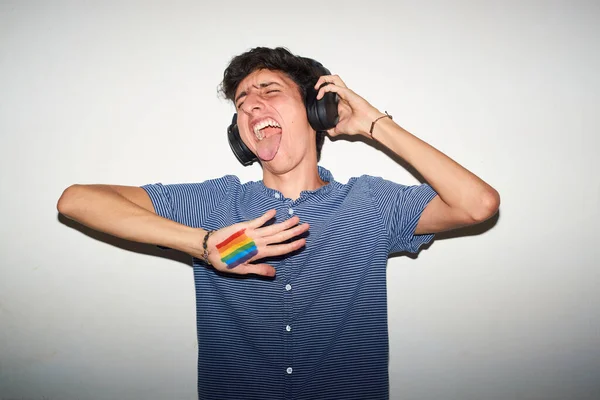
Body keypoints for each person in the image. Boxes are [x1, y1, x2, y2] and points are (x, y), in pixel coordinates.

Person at [57, 47, 500, 399]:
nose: (251, 107)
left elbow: (477, 203)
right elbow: (77, 201)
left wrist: (372, 124)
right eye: (242, 103)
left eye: (269, 91)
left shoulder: (371, 203)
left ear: (315, 112)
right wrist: (206, 243)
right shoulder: (215, 201)